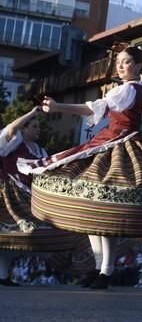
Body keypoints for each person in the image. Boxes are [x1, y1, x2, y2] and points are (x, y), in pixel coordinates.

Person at [18, 46, 142, 289]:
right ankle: (100, 268)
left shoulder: (128, 89)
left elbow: (93, 108)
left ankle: (105, 270)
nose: (120, 66)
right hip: (116, 142)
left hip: (118, 145)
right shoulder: (139, 89)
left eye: (126, 62)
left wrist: (57, 107)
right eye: (119, 62)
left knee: (105, 209)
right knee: (97, 209)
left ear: (138, 66)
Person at [1, 106, 79, 286]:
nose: (38, 130)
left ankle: (3, 275)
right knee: (12, 233)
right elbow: (12, 128)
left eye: (38, 126)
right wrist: (31, 113)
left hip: (30, 197)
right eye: (34, 126)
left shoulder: (39, 151)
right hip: (9, 195)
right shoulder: (14, 142)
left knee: (23, 237)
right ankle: (3, 275)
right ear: (24, 128)